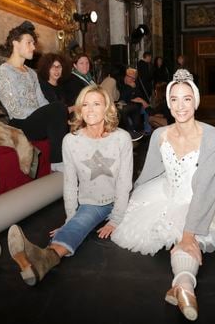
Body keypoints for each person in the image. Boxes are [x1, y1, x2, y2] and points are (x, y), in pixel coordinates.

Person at [112, 69, 215, 321]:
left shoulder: (213, 136)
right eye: (174, 99)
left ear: (195, 101)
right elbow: (148, 173)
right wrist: (125, 203)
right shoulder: (160, 135)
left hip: (201, 200)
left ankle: (184, 284)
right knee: (179, 239)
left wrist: (189, 232)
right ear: (168, 104)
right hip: (164, 194)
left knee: (185, 240)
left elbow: (206, 186)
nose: (180, 106)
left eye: (186, 99)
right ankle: (183, 286)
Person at [7, 86, 133, 286]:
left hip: (122, 198)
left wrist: (116, 219)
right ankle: (43, 260)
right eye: (85, 104)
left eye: (96, 104)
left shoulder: (121, 138)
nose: (90, 109)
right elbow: (70, 182)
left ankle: (41, 258)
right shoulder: (71, 141)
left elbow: (125, 182)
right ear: (79, 109)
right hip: (91, 203)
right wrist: (70, 218)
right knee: (79, 224)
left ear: (107, 108)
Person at [0, 21, 68, 172]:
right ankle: (57, 162)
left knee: (59, 109)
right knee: (58, 108)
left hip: (35, 121)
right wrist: (48, 117)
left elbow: (42, 101)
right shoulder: (2, 72)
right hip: (20, 124)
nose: (33, 47)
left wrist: (51, 116)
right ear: (15, 44)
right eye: (29, 43)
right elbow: (15, 110)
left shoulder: (31, 72)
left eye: (33, 43)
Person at [118, 67, 149, 138]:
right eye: (127, 75)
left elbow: (140, 97)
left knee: (135, 107)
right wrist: (130, 88)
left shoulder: (135, 84)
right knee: (124, 109)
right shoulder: (120, 83)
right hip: (124, 105)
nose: (133, 80)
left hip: (135, 106)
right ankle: (131, 131)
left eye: (133, 78)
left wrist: (134, 89)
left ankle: (135, 130)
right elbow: (122, 98)